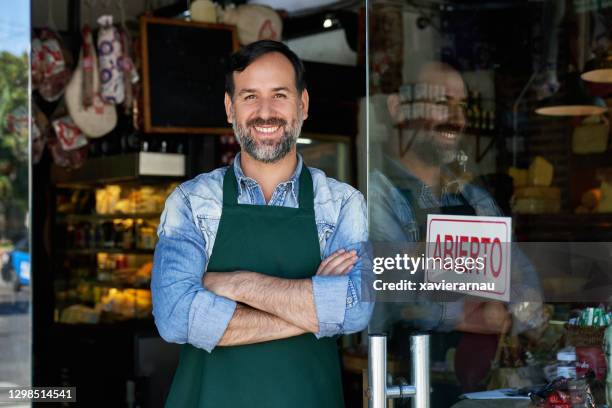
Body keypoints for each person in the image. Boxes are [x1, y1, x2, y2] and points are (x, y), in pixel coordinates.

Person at [151, 40, 373, 407]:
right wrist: (315, 312)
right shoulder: (191, 202)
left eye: (280, 95)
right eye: (250, 96)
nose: (265, 112)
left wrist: (236, 283)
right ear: (230, 107)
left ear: (302, 104)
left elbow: (355, 311)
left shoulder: (340, 203)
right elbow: (176, 318)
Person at [369, 61, 546, 391]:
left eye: (461, 105)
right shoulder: (376, 195)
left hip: (484, 389)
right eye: (441, 103)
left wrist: (513, 313)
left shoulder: (475, 198)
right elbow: (400, 295)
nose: (457, 118)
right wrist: (487, 309)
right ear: (397, 108)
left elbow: (523, 277)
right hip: (409, 386)